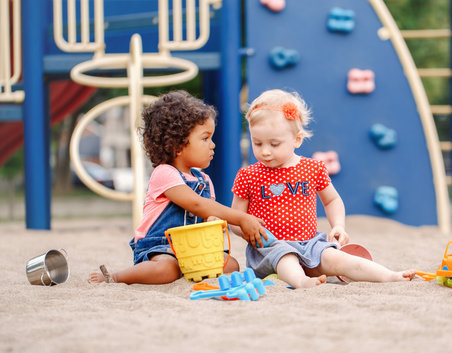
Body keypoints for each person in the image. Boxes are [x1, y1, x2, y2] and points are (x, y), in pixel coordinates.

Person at [230, 89, 415, 289]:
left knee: (340, 259)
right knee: (286, 258)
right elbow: (235, 217)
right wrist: (247, 231)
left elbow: (332, 200)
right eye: (257, 143)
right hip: (270, 249)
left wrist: (338, 226)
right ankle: (301, 282)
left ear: (297, 139)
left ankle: (389, 276)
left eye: (274, 144)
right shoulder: (248, 175)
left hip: (311, 245)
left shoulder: (313, 168)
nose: (265, 151)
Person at [88, 90, 267, 284]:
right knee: (166, 268)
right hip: (159, 248)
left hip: (193, 249)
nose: (212, 145)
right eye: (205, 138)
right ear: (177, 145)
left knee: (230, 265)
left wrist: (213, 223)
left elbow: (208, 213)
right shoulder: (165, 174)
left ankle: (186, 270)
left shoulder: (204, 180)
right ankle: (116, 277)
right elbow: (197, 205)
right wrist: (241, 217)